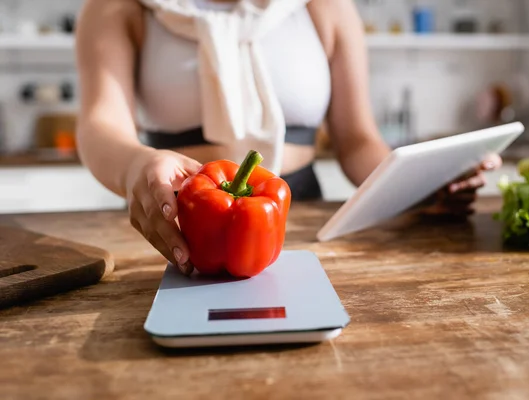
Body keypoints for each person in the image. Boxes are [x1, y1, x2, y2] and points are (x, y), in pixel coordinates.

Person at [75, 0, 502, 276]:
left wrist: (416, 185)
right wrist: (135, 166)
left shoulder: (326, 7)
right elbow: (101, 124)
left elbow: (356, 141)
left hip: (294, 210)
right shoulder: (119, 7)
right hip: (180, 216)